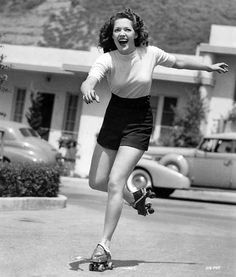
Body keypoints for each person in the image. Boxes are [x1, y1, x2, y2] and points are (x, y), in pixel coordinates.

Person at [80, 8, 228, 271]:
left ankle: (104, 245)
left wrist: (208, 66)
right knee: (96, 181)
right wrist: (89, 88)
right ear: (111, 35)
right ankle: (133, 197)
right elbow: (90, 79)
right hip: (114, 117)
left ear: (136, 33)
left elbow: (180, 63)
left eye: (127, 29)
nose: (122, 33)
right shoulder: (108, 59)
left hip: (139, 122)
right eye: (117, 30)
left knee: (115, 182)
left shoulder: (151, 53)